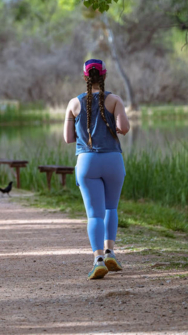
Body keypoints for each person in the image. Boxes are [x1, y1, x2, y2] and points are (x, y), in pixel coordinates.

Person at [63, 59, 130, 280]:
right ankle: (111, 252)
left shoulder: (73, 103)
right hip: (112, 160)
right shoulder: (115, 100)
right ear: (104, 76)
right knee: (111, 208)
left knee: (94, 215)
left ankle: (98, 259)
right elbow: (124, 128)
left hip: (87, 162)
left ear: (85, 77)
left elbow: (68, 138)